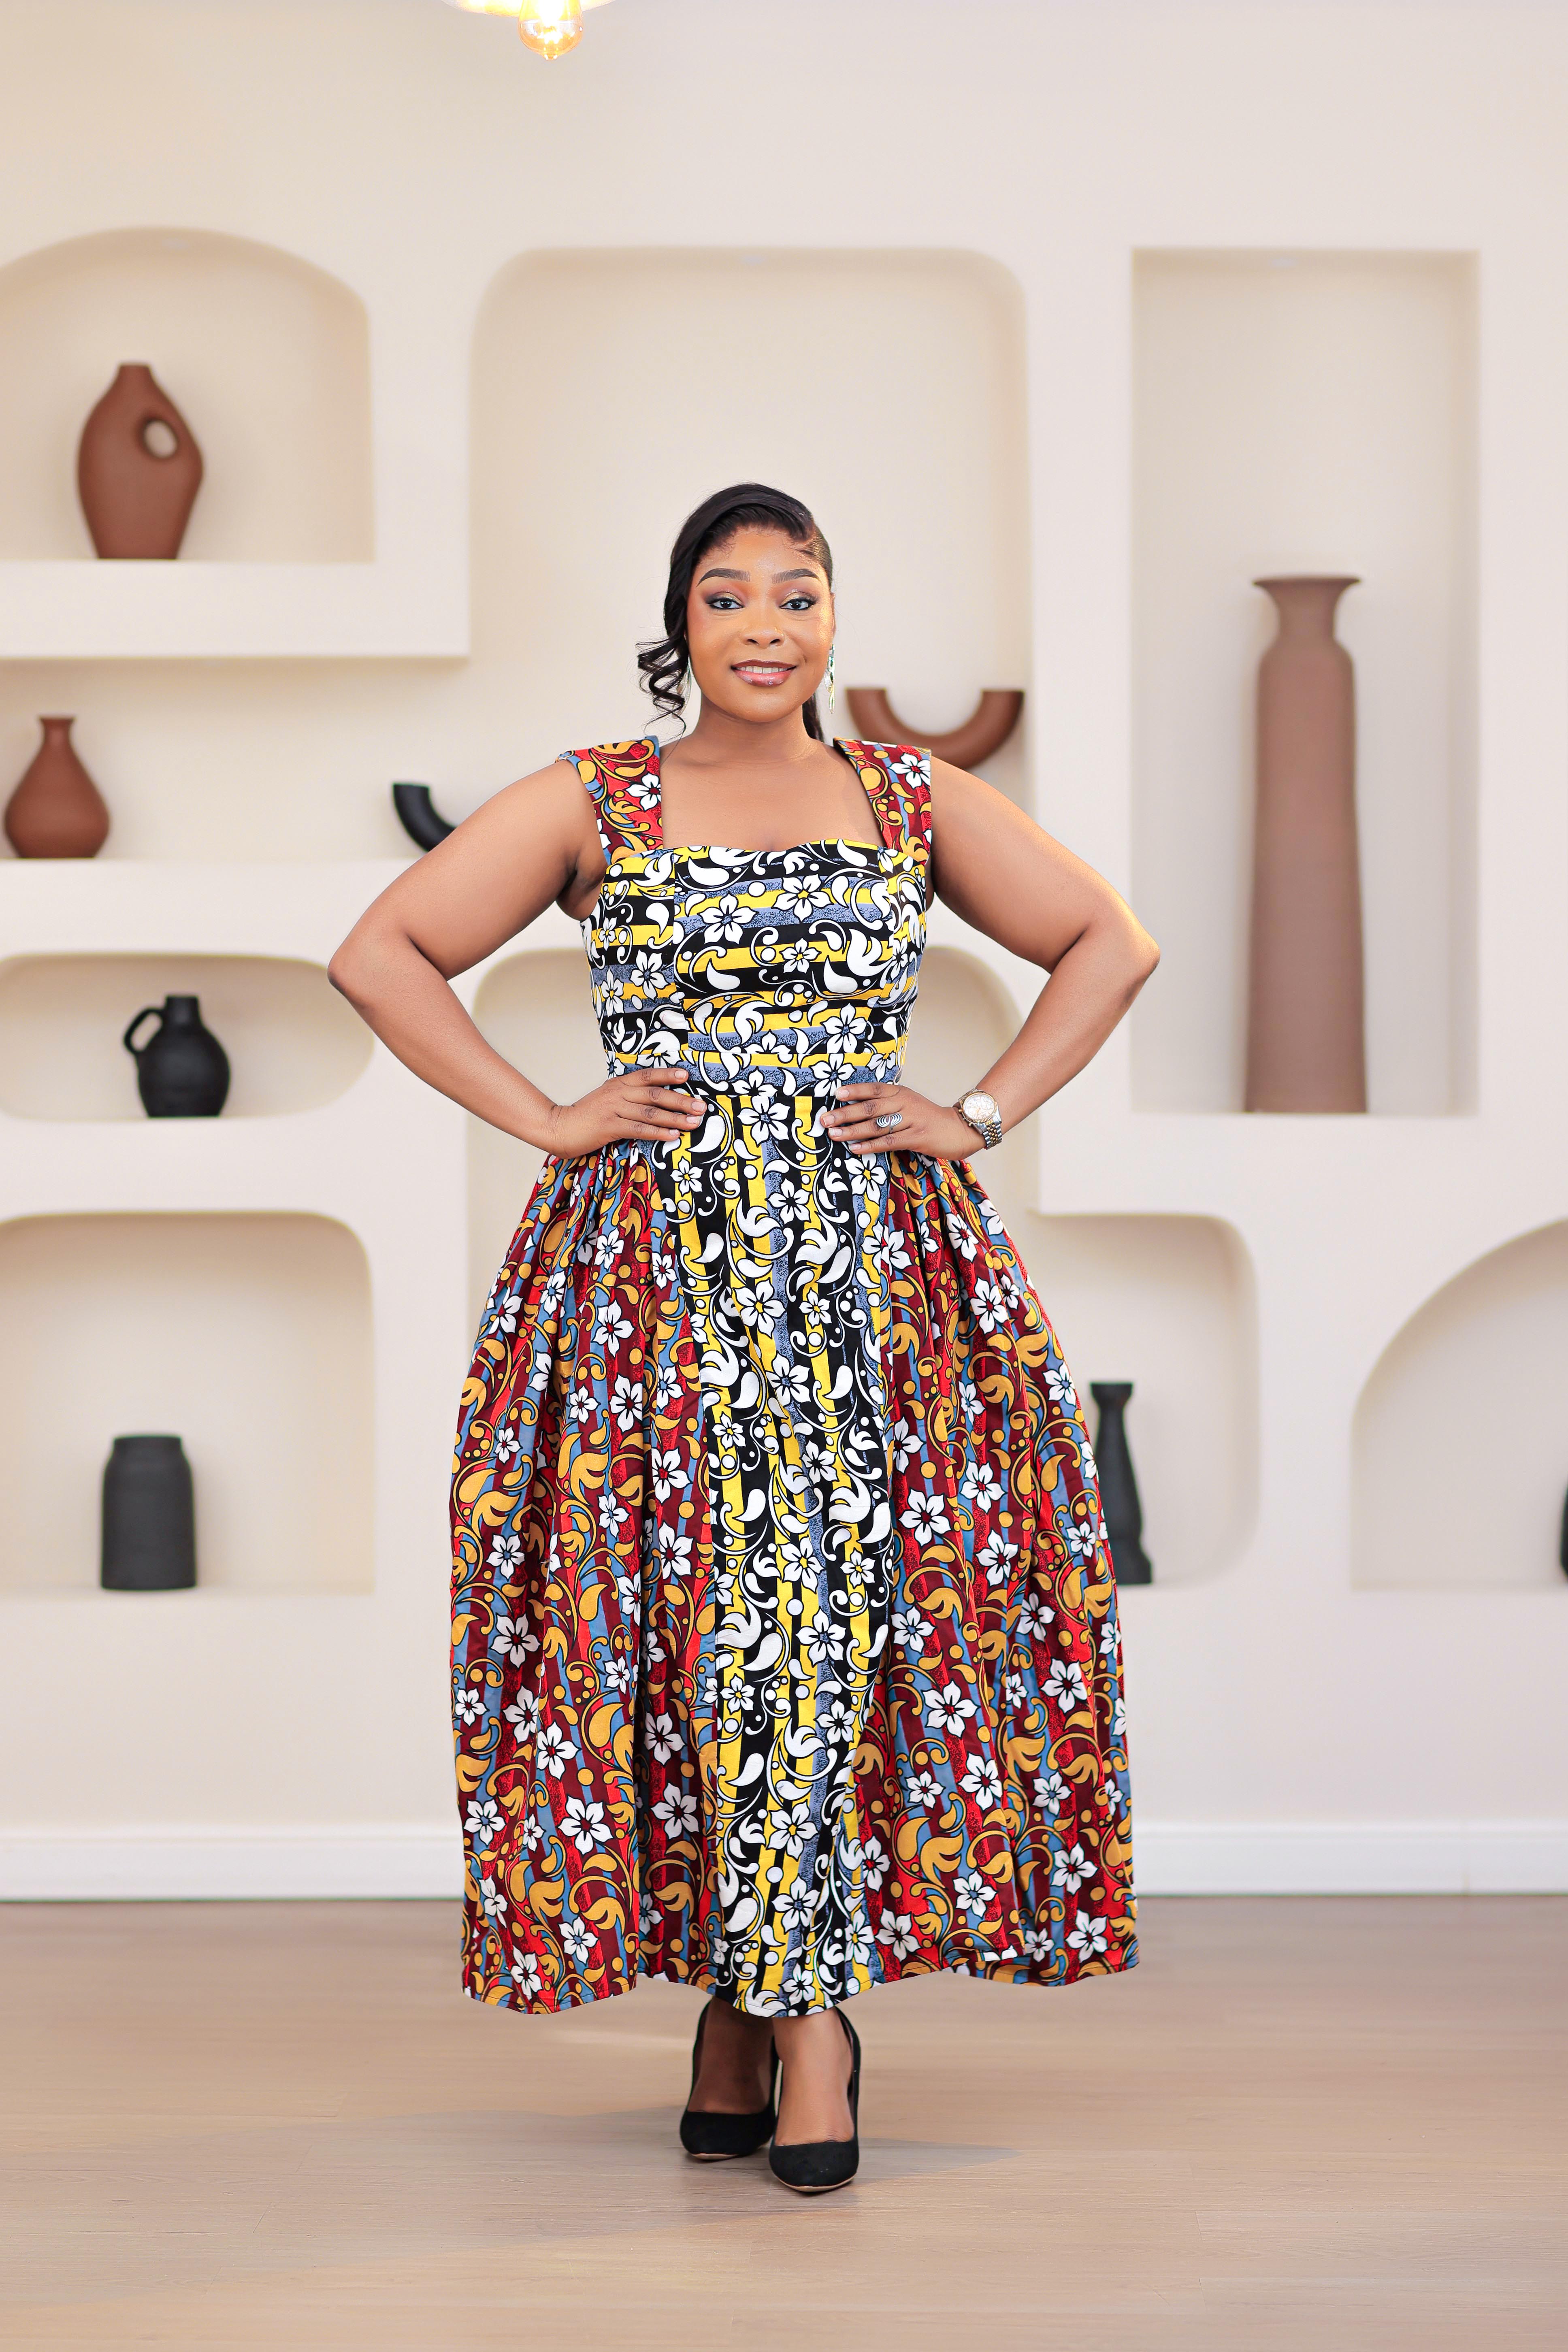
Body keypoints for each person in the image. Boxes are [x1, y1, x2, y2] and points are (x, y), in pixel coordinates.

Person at [330, 482, 1159, 2195]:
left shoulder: (906, 795)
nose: (764, 623)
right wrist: (547, 1118)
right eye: (727, 595)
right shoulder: (597, 796)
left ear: (835, 621)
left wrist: (979, 1110)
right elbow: (384, 953)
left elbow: (1108, 942)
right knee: (692, 1629)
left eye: (796, 591)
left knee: (830, 1631)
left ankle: (796, 2023)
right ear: (680, 626)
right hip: (650, 1284)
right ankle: (758, 2006)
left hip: (872, 1279)